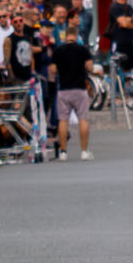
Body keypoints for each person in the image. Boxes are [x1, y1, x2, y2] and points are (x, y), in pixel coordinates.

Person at [50, 14, 95, 161]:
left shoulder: (58, 50)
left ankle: (63, 152)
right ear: (76, 35)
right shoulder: (82, 50)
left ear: (65, 36)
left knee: (63, 120)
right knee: (83, 119)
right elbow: (89, 67)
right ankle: (84, 152)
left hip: (63, 90)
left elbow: (53, 70)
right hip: (79, 89)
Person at [106, 0, 133, 71]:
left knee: (129, 68)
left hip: (129, 42)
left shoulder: (128, 7)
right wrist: (131, 21)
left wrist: (129, 21)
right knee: (118, 67)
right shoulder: (114, 7)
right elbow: (124, 23)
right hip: (119, 42)